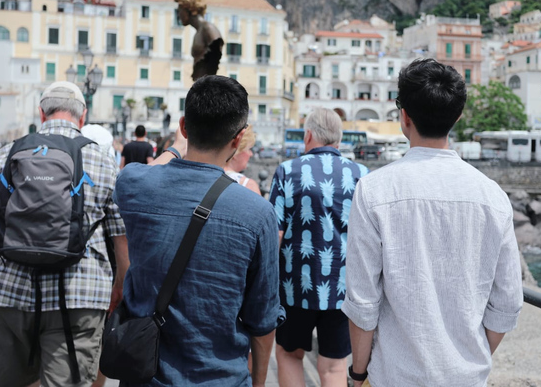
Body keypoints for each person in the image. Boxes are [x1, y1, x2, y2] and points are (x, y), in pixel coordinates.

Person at [341, 59, 523, 387]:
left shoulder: (373, 190)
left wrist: (358, 373)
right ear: (457, 116)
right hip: (466, 377)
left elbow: (363, 302)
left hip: (393, 376)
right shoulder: (493, 197)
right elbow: (507, 303)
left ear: (404, 116)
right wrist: (470, 356)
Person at [114, 75, 284, 387]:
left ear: (183, 126)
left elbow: (143, 172)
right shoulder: (259, 213)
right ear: (239, 139)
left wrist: (178, 148)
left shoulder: (134, 185)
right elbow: (263, 323)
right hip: (221, 379)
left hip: (144, 377)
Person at [0, 81, 130, 387]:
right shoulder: (101, 158)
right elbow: (121, 235)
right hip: (79, 293)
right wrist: (119, 286)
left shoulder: (7, 153)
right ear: (83, 117)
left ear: (41, 113)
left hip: (10, 292)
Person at [270, 107, 367, 387]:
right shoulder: (361, 173)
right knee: (335, 366)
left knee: (289, 355)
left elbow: (275, 233)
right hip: (343, 288)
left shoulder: (287, 171)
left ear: (308, 135)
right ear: (339, 138)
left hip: (293, 286)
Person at [225, 124, 261, 195]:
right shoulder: (248, 185)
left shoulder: (210, 176)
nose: (251, 154)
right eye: (249, 149)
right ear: (235, 151)